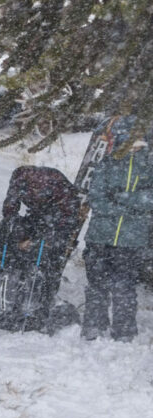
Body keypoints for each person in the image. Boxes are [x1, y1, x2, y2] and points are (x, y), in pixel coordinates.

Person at [0, 165, 84, 331]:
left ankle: (41, 302)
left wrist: (40, 240)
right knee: (8, 237)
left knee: (47, 259)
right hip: (37, 215)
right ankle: (6, 298)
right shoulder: (19, 177)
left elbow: (67, 216)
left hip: (61, 220)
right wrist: (11, 232)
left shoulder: (57, 185)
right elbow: (11, 206)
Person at [82, 115, 151, 342]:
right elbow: (97, 199)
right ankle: (93, 325)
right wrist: (130, 207)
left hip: (132, 240)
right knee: (96, 285)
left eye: (138, 141)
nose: (134, 146)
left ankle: (124, 331)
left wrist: (122, 199)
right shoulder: (107, 163)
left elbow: (149, 200)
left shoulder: (149, 166)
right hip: (100, 236)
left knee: (124, 287)